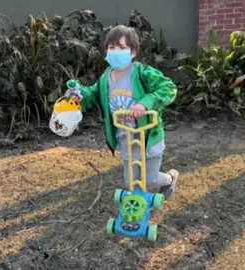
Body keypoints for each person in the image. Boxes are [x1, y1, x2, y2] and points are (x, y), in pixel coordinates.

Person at [68, 25, 179, 199]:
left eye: (122, 48)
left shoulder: (142, 72)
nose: (116, 52)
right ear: (106, 51)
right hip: (125, 137)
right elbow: (94, 94)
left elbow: (169, 88)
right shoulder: (106, 78)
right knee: (131, 182)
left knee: (150, 180)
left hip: (148, 135)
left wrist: (145, 103)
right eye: (112, 48)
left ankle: (169, 178)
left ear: (133, 52)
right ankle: (138, 210)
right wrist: (80, 95)